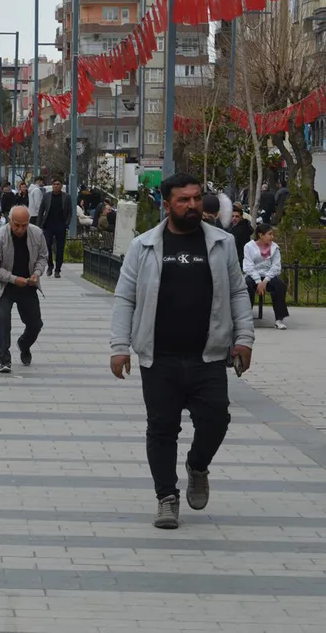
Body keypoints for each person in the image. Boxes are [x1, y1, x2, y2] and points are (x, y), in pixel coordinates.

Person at [109, 172, 255, 530]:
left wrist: (244, 338)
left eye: (196, 198)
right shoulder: (143, 246)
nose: (193, 205)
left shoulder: (221, 243)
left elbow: (237, 291)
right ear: (167, 204)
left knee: (216, 420)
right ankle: (167, 497)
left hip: (208, 355)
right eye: (184, 200)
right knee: (162, 429)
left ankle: (197, 465)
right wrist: (119, 347)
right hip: (159, 358)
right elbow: (125, 297)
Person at [0, 206, 47, 373]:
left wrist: (37, 273)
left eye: (24, 225)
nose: (20, 229)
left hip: (27, 284)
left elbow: (43, 256)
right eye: (17, 225)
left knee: (35, 324)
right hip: (3, 286)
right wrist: (13, 279)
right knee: (3, 319)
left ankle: (24, 344)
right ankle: (4, 359)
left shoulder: (37, 234)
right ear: (10, 221)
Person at [243, 224, 289, 329]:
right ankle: (246, 318)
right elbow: (248, 266)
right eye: (270, 234)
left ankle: (279, 319)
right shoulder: (249, 247)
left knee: (280, 286)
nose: (272, 237)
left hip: (269, 275)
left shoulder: (275, 247)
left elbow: (276, 266)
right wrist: (258, 281)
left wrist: (265, 281)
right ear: (261, 235)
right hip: (253, 275)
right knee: (246, 285)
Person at [38, 178, 71, 278]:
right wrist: (39, 224)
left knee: (60, 248)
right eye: (54, 184)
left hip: (60, 225)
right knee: (47, 246)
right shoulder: (47, 196)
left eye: (58, 184)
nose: (56, 186)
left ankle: (57, 269)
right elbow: (41, 210)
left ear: (61, 186)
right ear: (52, 185)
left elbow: (70, 211)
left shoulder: (66, 197)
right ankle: (50, 265)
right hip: (48, 225)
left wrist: (66, 224)